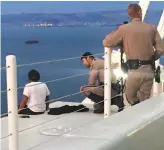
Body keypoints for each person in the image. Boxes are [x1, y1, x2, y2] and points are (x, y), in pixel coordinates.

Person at [103, 4, 164, 106]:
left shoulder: (124, 29)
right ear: (140, 12)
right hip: (149, 69)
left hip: (133, 71)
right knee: (144, 100)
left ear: (129, 14)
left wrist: (118, 33)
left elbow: (107, 42)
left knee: (130, 98)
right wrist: (153, 57)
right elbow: (160, 49)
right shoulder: (152, 28)